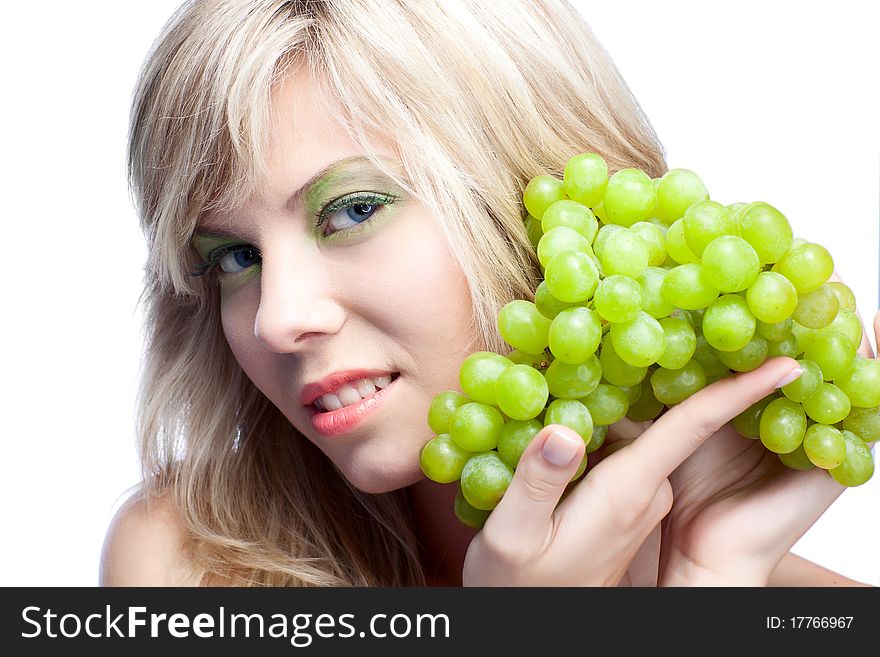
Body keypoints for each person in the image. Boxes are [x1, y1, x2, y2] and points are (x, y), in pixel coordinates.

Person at [100, 0, 877, 587]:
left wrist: (708, 584)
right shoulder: (188, 565)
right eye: (234, 256)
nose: (277, 319)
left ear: (539, 193)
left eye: (354, 210)